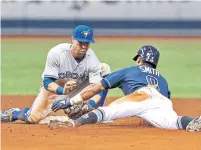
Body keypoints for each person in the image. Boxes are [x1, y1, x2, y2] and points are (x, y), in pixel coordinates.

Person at [48, 45, 201, 132]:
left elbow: (96, 87)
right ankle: (194, 122)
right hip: (162, 102)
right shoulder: (163, 79)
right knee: (174, 122)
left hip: (142, 95)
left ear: (140, 59)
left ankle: (73, 123)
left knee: (108, 111)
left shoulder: (129, 71)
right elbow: (165, 98)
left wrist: (70, 101)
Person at [1, 25, 111, 123]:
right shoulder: (57, 53)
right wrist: (62, 91)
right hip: (54, 89)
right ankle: (14, 113)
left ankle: (95, 111)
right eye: (80, 42)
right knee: (33, 118)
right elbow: (47, 82)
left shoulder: (92, 58)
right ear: (72, 39)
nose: (83, 46)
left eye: (86, 43)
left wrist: (89, 106)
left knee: (104, 68)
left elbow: (98, 87)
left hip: (78, 87)